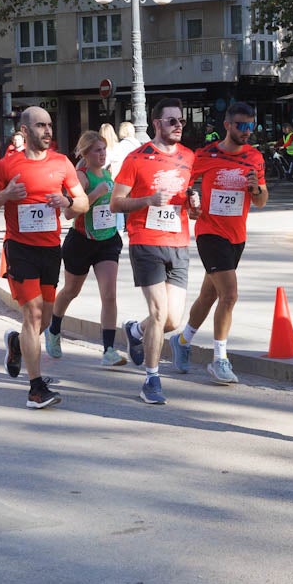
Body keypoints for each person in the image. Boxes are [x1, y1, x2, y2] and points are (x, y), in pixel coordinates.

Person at [0, 106, 88, 409]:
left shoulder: (62, 163)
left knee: (47, 316)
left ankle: (17, 343)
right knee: (34, 314)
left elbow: (82, 204)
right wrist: (4, 196)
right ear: (25, 131)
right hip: (20, 249)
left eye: (50, 125)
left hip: (51, 248)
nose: (48, 131)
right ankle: (35, 388)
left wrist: (66, 200)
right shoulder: (7, 165)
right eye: (41, 126)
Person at [173, 102, 268, 384]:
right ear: (227, 125)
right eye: (241, 125)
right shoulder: (207, 154)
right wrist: (191, 203)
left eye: (251, 126)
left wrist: (256, 188)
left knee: (209, 296)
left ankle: (182, 340)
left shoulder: (255, 158)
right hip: (210, 233)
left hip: (237, 236)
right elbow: (184, 184)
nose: (247, 131)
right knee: (229, 295)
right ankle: (219, 359)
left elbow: (262, 201)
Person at [112, 98, 197, 405]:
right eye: (172, 121)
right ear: (156, 124)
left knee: (172, 320)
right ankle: (151, 378)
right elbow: (115, 203)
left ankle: (136, 330)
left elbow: (189, 201)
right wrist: (147, 200)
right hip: (145, 241)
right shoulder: (136, 158)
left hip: (179, 242)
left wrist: (194, 205)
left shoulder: (189, 157)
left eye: (181, 121)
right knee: (159, 313)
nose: (178, 126)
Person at [45, 130, 127, 367]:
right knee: (71, 290)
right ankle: (54, 329)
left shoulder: (109, 175)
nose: (102, 154)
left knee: (109, 294)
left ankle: (109, 349)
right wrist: (94, 194)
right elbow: (69, 212)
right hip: (81, 242)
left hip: (108, 242)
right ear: (86, 153)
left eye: (104, 149)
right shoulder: (81, 177)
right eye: (97, 151)